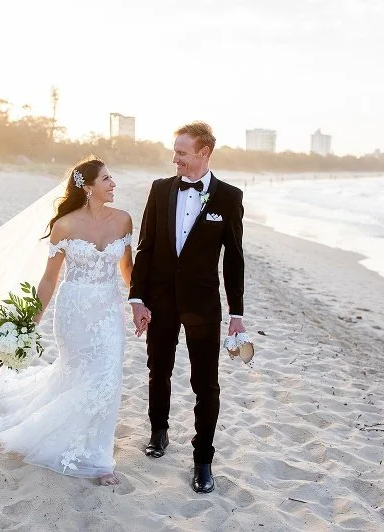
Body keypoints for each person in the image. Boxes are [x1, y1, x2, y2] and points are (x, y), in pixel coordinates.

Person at [0, 156, 133, 486]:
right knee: (80, 373)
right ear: (89, 187)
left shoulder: (124, 220)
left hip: (109, 310)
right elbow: (50, 279)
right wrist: (30, 321)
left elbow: (127, 271)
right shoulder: (64, 226)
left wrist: (140, 303)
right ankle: (96, 458)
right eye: (107, 179)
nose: (113, 184)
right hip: (74, 310)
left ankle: (96, 450)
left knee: (107, 374)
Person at [129, 121, 246, 493]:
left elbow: (234, 259)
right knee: (157, 369)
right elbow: (146, 246)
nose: (174, 158)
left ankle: (203, 460)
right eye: (174, 151)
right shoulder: (160, 190)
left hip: (203, 305)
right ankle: (158, 431)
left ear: (203, 152)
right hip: (160, 300)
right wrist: (137, 298)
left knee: (205, 384)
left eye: (181, 152)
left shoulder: (229, 196)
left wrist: (236, 313)